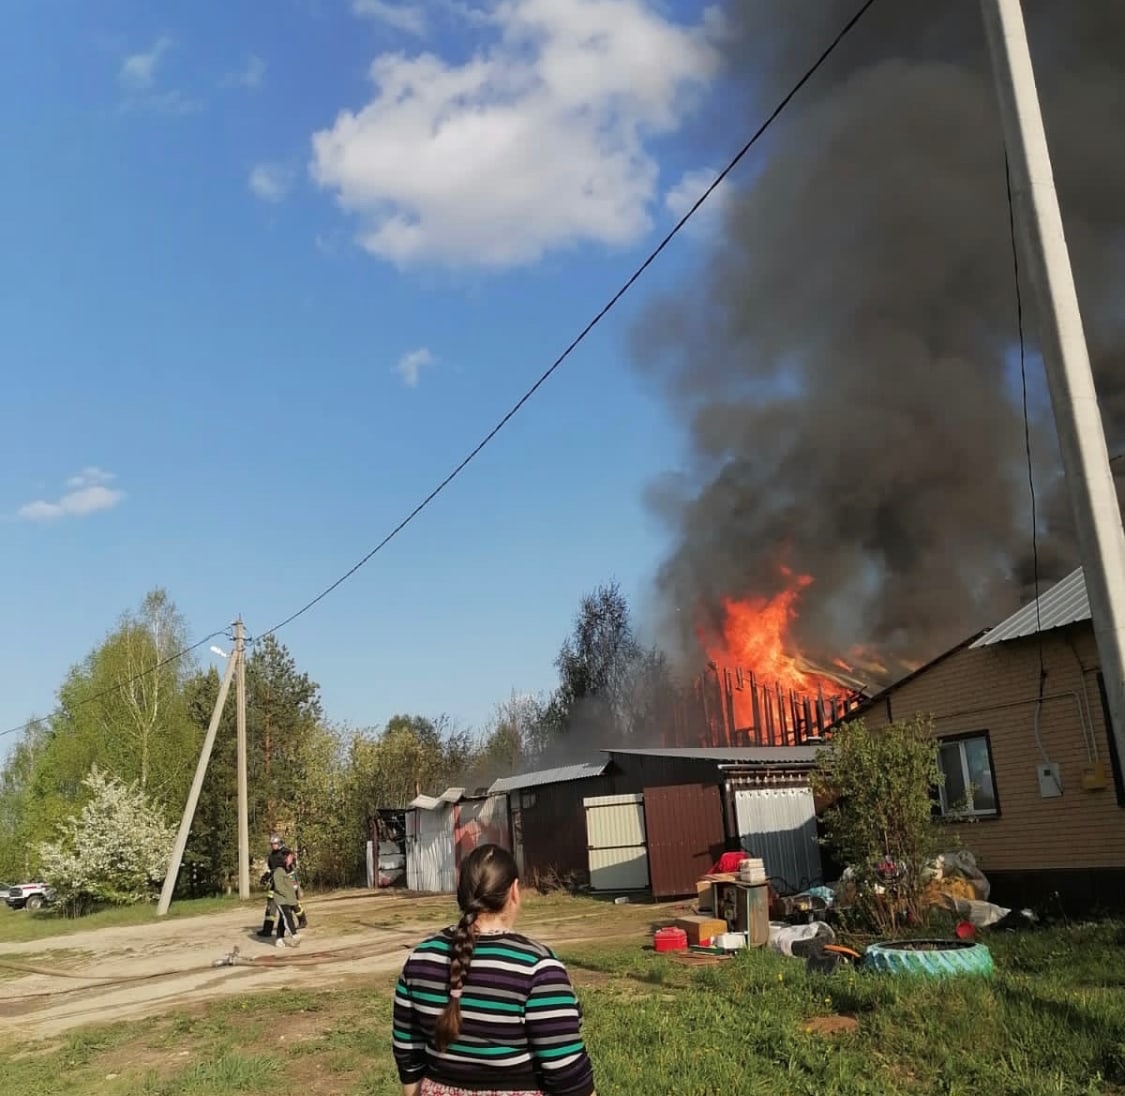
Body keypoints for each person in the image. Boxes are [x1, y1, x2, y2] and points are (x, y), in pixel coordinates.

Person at [393, 844, 595, 1096]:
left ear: (462, 892)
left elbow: (408, 1056)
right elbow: (568, 1074)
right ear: (514, 892)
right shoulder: (538, 967)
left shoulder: (420, 958)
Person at [257, 835, 287, 938]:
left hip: (283, 885)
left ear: (279, 843)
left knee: (284, 909)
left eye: (275, 844)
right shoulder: (271, 856)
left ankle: (290, 929)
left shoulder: (284, 854)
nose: (273, 846)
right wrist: (266, 877)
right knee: (270, 908)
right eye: (272, 844)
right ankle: (267, 930)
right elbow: (271, 869)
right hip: (274, 885)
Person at [272, 848, 302, 948]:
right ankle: (294, 934)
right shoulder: (279, 871)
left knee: (282, 919)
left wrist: (298, 891)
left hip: (289, 898)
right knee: (287, 916)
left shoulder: (290, 869)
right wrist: (288, 894)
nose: (292, 858)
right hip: (281, 899)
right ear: (284, 858)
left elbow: (295, 882)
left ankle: (279, 939)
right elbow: (279, 887)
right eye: (290, 856)